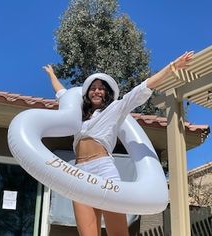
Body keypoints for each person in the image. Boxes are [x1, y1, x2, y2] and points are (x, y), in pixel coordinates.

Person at [43, 51, 194, 236]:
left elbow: (142, 88)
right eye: (93, 87)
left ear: (106, 93)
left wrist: (172, 67)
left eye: (101, 88)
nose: (97, 91)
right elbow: (62, 94)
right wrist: (52, 74)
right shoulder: (78, 116)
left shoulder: (115, 109)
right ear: (87, 92)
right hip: (79, 172)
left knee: (118, 233)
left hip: (104, 170)